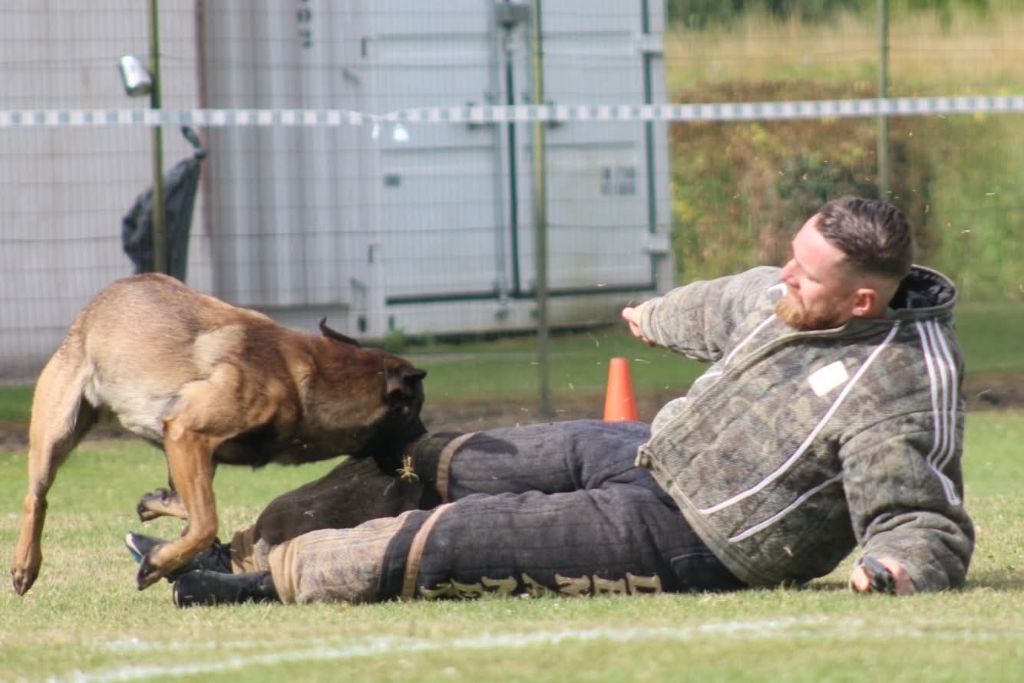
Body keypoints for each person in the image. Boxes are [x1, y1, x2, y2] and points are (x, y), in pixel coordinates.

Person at [127, 196, 973, 607]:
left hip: (703, 537)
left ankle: (258, 586)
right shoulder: (787, 292)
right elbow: (728, 300)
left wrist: (896, 566)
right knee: (430, 457)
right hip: (649, 453)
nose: (784, 276)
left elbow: (922, 514)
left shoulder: (903, 386)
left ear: (862, 302)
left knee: (467, 537)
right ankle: (237, 546)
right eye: (791, 256)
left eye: (804, 272)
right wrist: (654, 315)